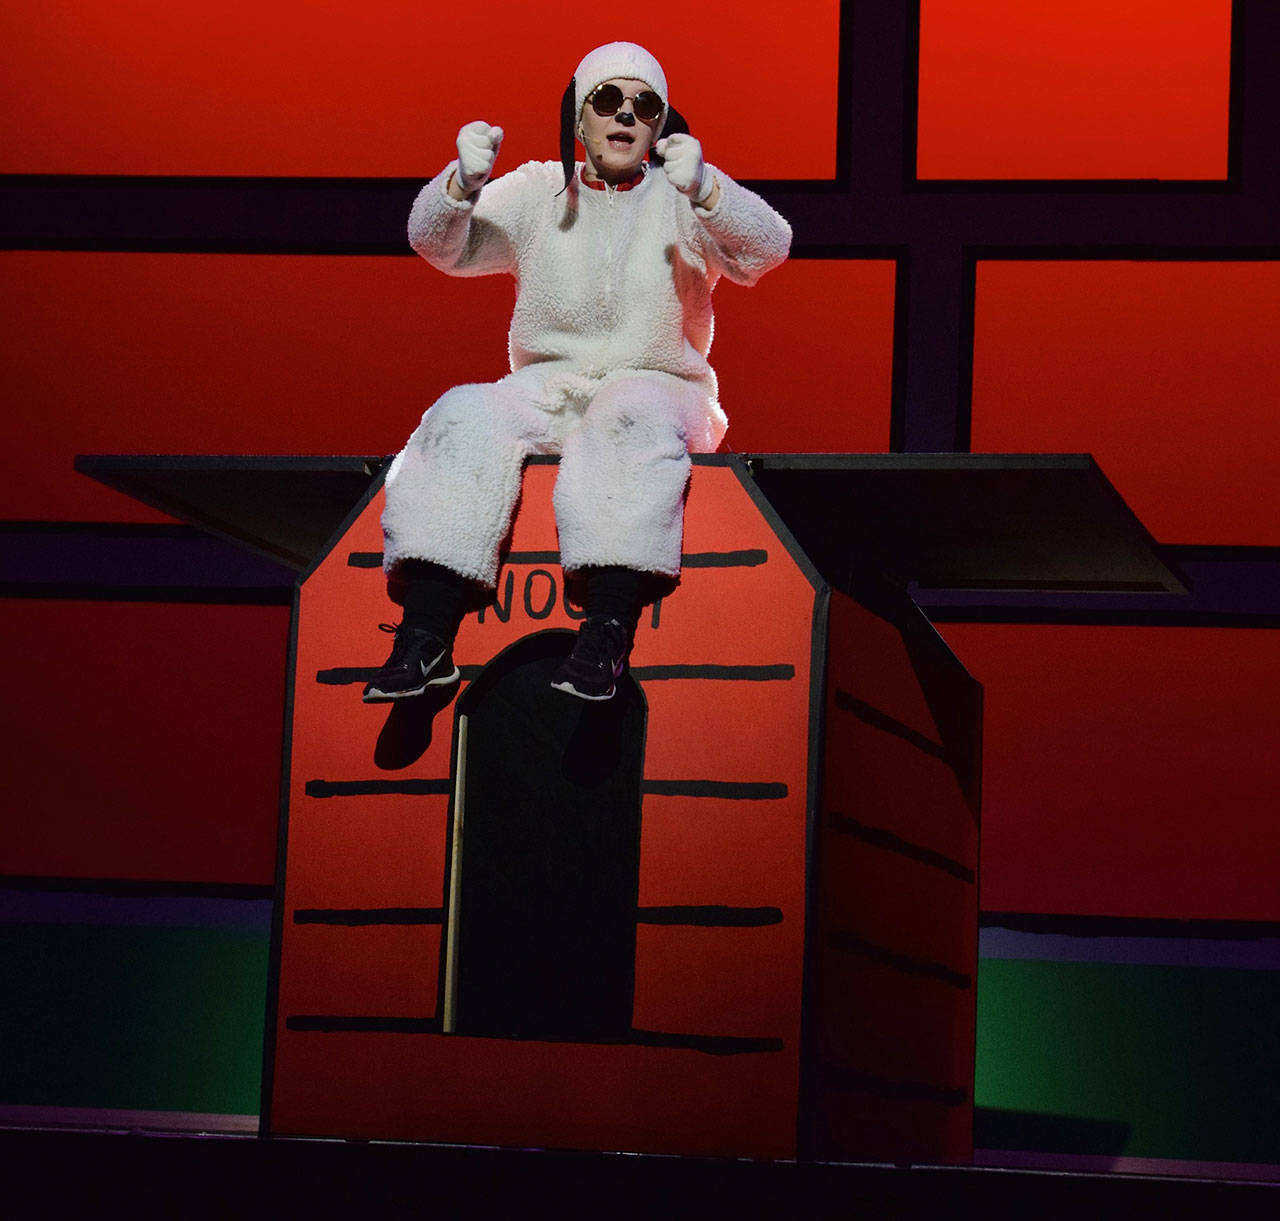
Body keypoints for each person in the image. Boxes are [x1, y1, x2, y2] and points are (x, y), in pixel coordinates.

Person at [364, 41, 791, 704]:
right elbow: (437, 243)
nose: (624, 115)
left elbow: (770, 247)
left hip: (661, 388)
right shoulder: (539, 192)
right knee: (462, 412)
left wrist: (708, 188)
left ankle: (607, 632)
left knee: (625, 407)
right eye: (607, 100)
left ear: (659, 126)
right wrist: (460, 184)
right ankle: (425, 640)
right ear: (580, 120)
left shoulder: (681, 197)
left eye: (644, 106)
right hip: (552, 389)